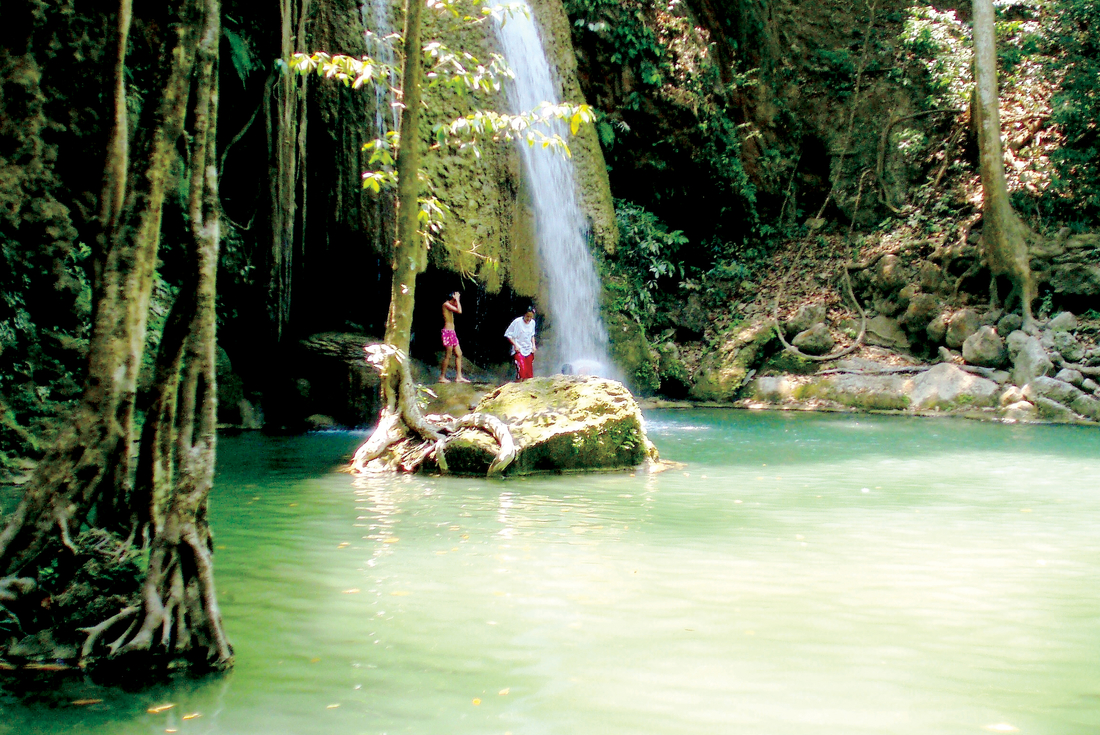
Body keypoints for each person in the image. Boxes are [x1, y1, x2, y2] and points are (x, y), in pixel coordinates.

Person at [439, 291, 469, 383]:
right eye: (455, 300)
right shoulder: (446, 304)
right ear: (453, 299)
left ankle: (459, 377)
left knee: (459, 353)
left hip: (452, 332)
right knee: (448, 355)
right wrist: (458, 300)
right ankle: (442, 377)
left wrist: (457, 300)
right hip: (447, 332)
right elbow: (459, 311)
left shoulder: (449, 305)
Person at [504, 306, 537, 381]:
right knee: (522, 370)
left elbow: (532, 335)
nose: (529, 319)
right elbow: (508, 334)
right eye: (527, 316)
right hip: (519, 349)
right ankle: (519, 385)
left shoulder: (532, 323)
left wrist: (534, 346)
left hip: (529, 349)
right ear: (524, 315)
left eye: (531, 317)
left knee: (529, 373)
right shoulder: (517, 322)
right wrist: (515, 345)